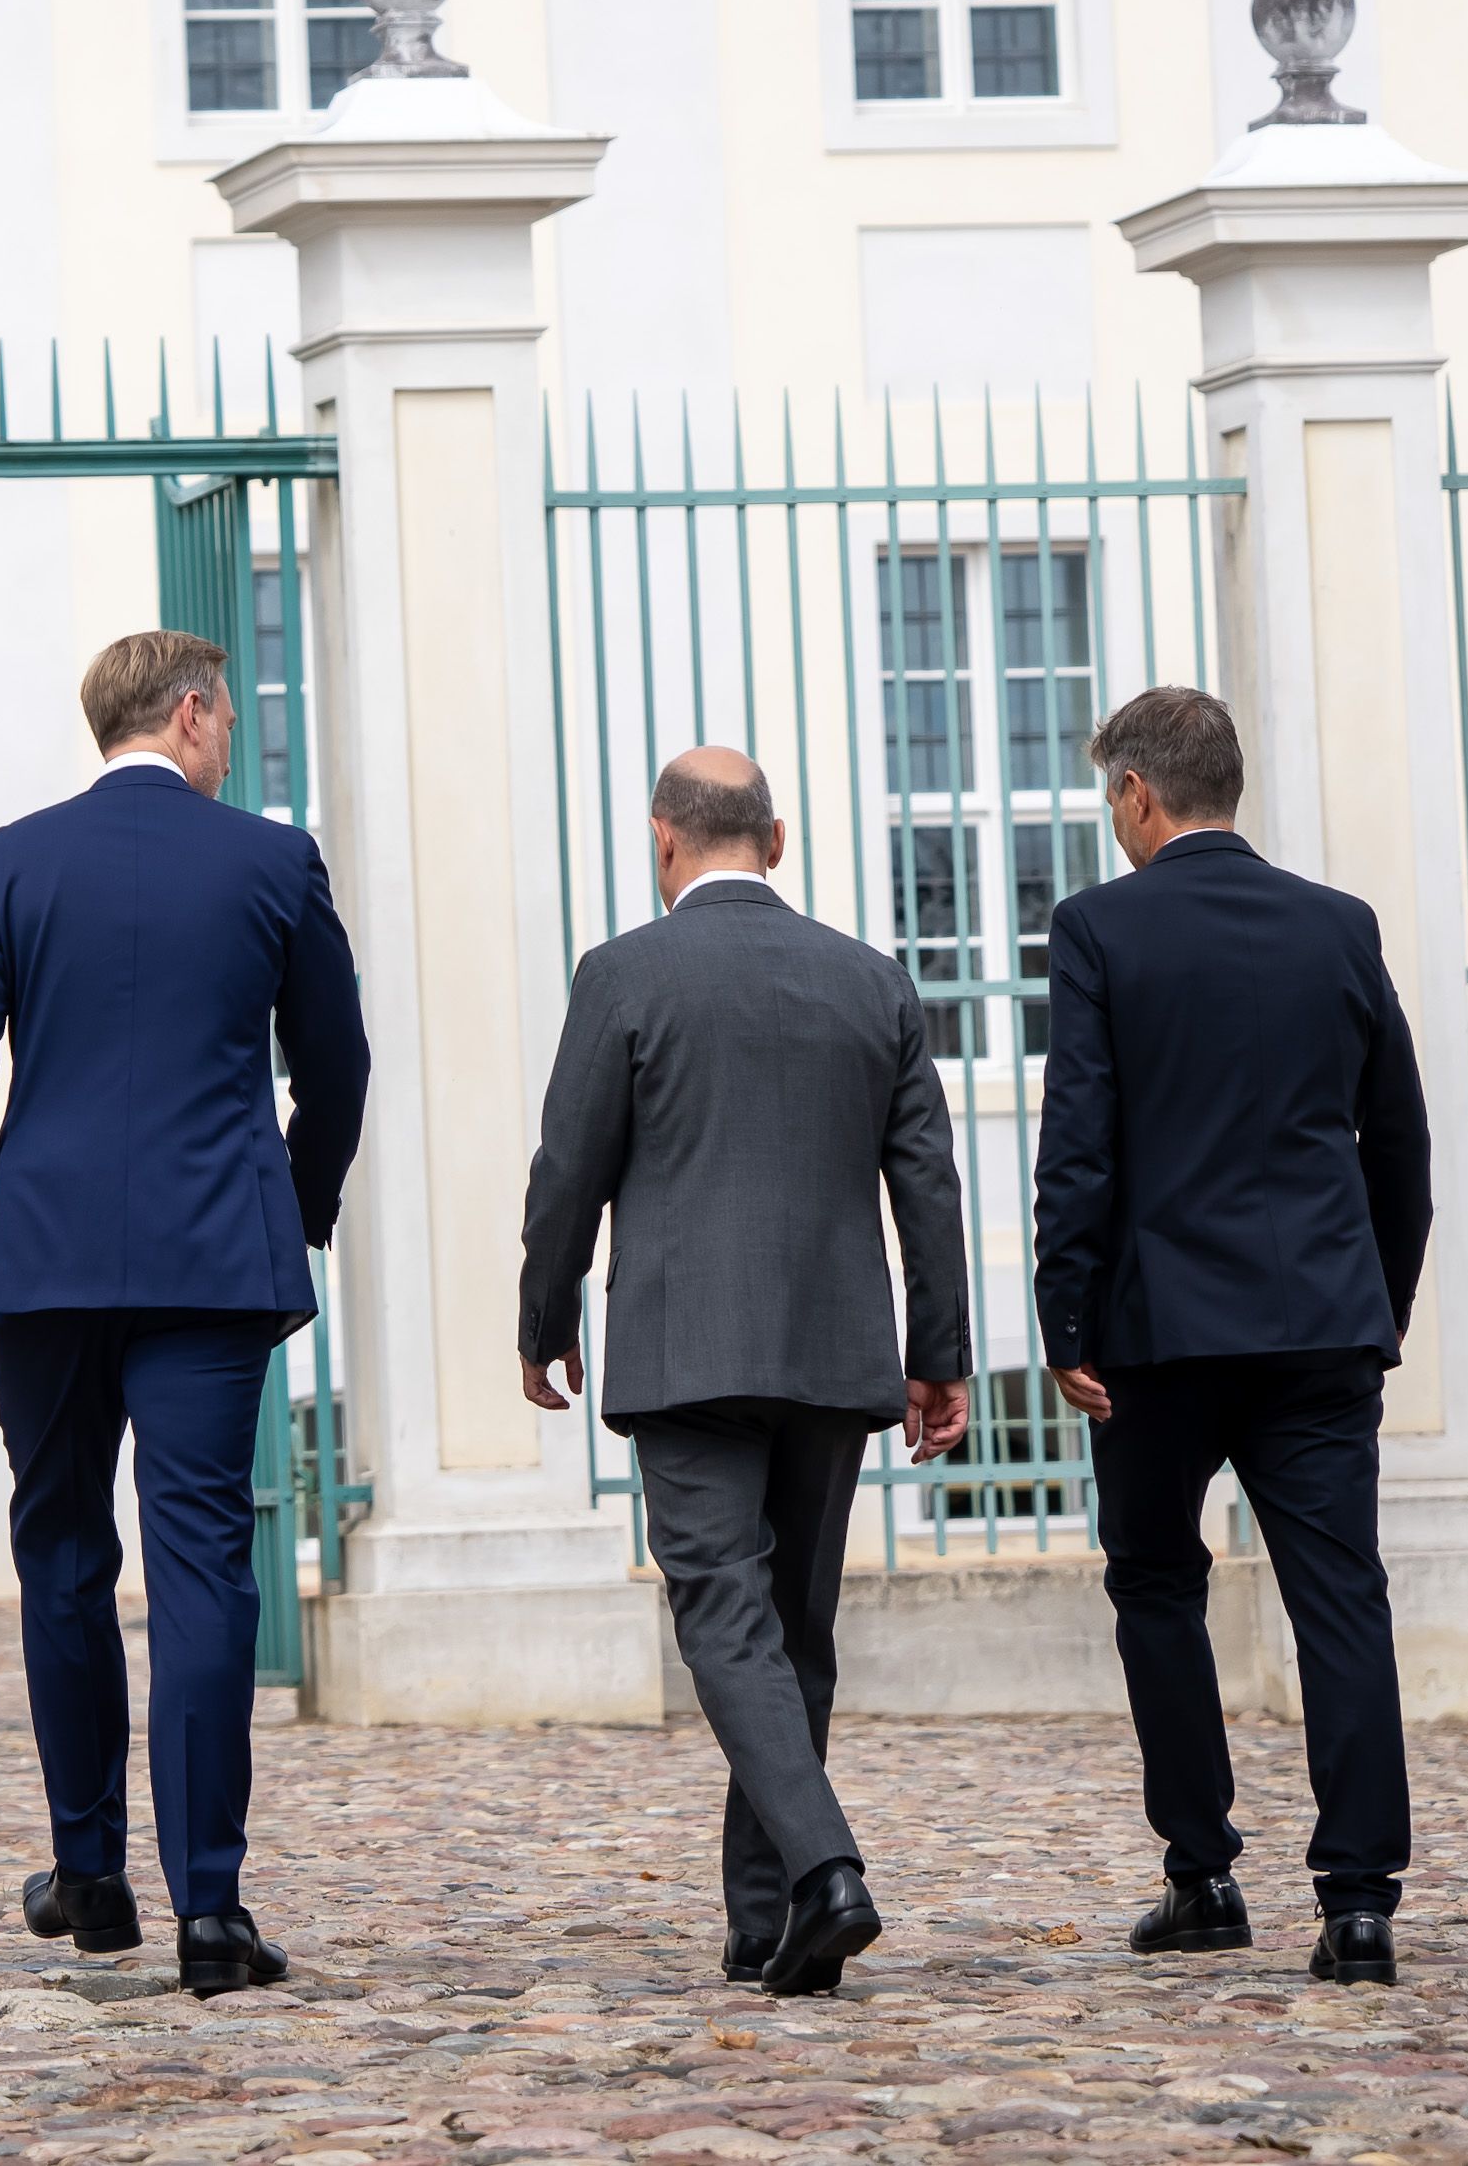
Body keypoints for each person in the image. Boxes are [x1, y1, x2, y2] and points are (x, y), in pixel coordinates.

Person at [0, 627, 374, 1999]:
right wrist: (295, 1206)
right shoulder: (273, 861)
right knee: (203, 1563)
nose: (230, 747)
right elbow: (335, 1064)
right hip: (213, 1259)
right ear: (194, 713)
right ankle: (210, 1908)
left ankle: (89, 1869)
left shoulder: (8, 863)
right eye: (227, 723)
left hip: (44, 1262)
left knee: (59, 1547)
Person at [514, 746, 973, 2001]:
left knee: (725, 1615)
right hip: (832, 1348)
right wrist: (939, 1354)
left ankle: (824, 1872)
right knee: (794, 1632)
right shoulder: (872, 979)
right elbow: (927, 1182)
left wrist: (544, 1315)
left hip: (687, 1349)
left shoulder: (622, 974)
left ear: (663, 838)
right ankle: (765, 1921)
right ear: (777, 840)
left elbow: (568, 1169)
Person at [1027, 683, 1435, 1985]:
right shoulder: (1338, 924)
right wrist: (1378, 1304)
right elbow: (1400, 1140)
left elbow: (1079, 1143)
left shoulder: (1098, 927)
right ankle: (1359, 1901)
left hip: (1158, 1333)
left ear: (1138, 793)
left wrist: (1065, 1315)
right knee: (1341, 1594)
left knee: (1157, 1583)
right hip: (1321, 1323)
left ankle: (1201, 1874)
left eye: (1111, 798)